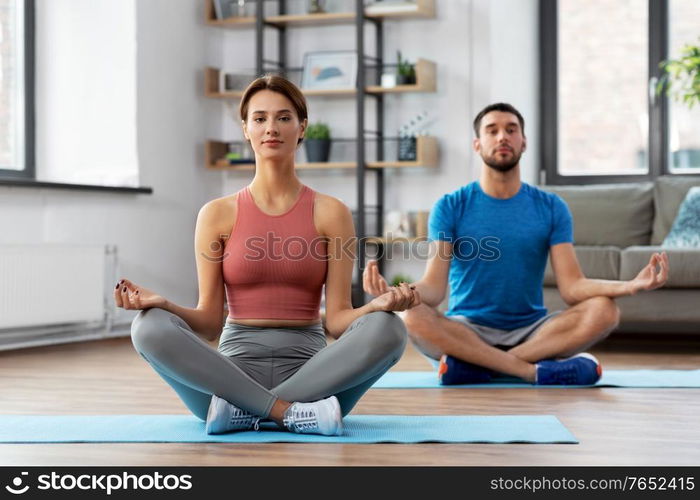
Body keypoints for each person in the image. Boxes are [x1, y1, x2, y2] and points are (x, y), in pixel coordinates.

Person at [115, 75, 419, 436]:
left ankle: (248, 412)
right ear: (245, 129)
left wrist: (378, 306)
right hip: (231, 374)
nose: (271, 128)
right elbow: (210, 323)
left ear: (302, 126)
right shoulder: (216, 214)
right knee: (148, 326)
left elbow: (338, 321)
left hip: (313, 373)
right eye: (259, 119)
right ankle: (288, 413)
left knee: (389, 329)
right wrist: (164, 303)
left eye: (283, 118)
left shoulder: (331, 212)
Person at [363, 102, 669, 386]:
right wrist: (398, 294)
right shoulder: (450, 206)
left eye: (511, 130)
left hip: (534, 331)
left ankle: (480, 367)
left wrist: (629, 286)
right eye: (492, 130)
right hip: (467, 329)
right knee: (414, 314)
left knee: (605, 310)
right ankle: (529, 371)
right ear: (477, 144)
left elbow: (572, 286)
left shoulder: (551, 207)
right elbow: (433, 287)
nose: (502, 137)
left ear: (523, 142)